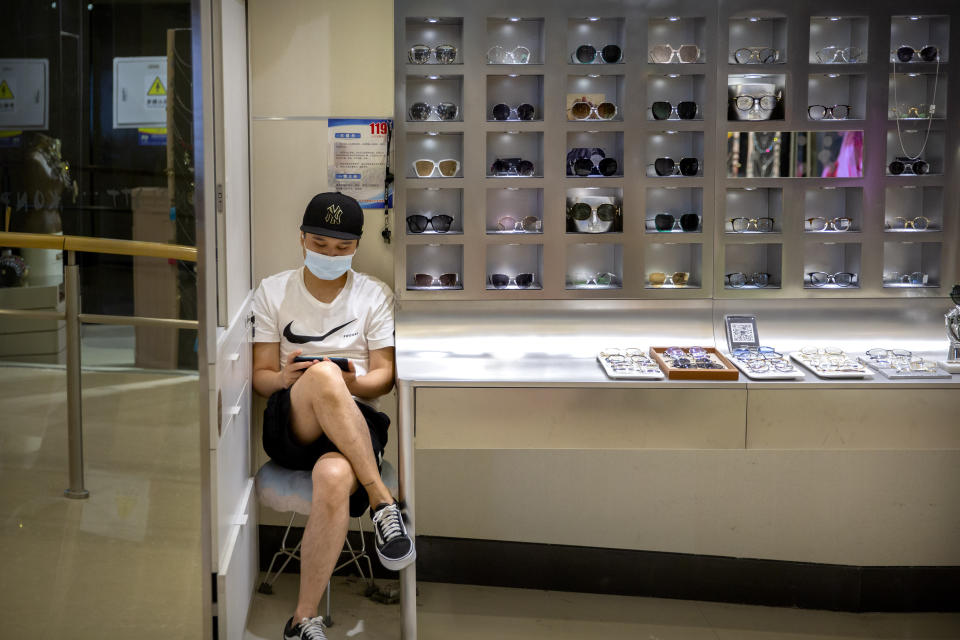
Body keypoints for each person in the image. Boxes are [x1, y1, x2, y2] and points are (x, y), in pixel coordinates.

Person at [252, 192, 415, 640]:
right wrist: (287, 378)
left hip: (356, 423)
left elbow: (383, 377)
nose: (330, 256)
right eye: (320, 246)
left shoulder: (373, 295)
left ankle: (301, 621)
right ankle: (384, 504)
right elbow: (259, 377)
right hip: (294, 423)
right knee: (322, 375)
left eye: (342, 249)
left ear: (356, 247)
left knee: (332, 477)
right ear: (301, 239)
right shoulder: (273, 290)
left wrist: (351, 384)